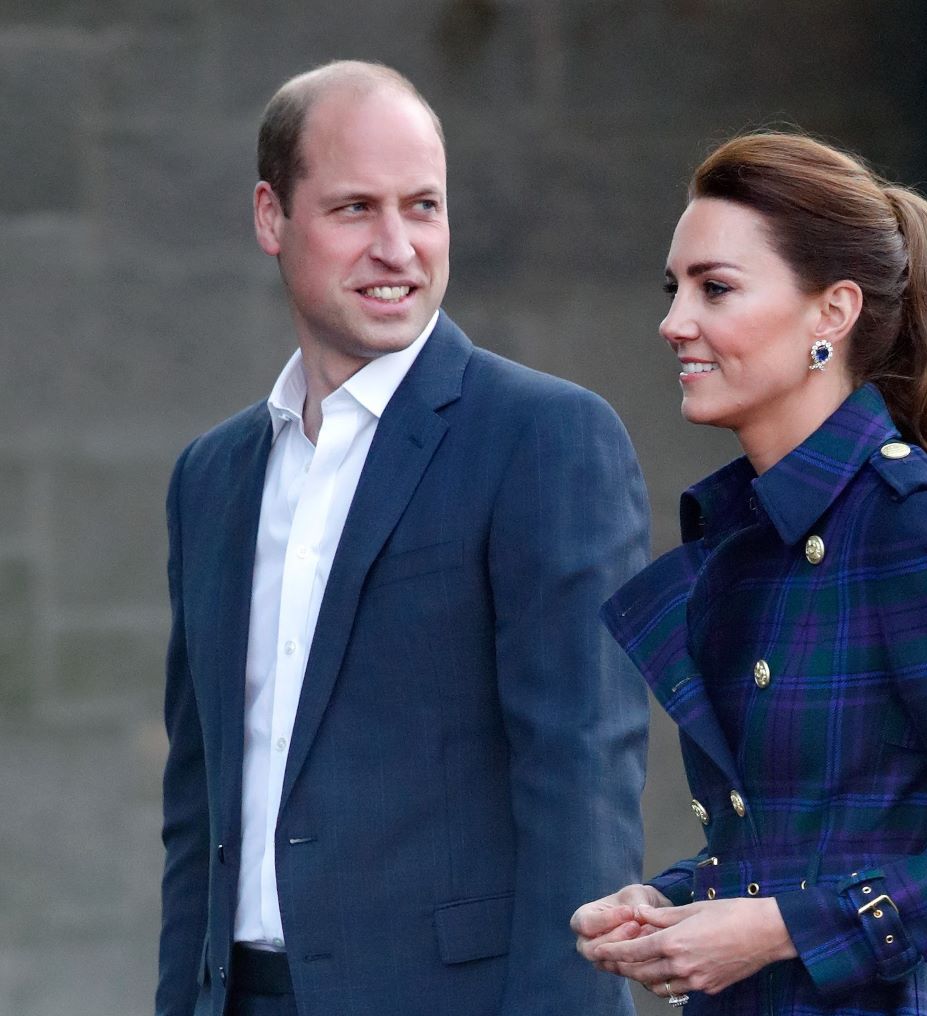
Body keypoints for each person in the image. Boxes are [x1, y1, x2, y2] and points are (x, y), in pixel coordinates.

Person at [156, 60, 650, 1016]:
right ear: (272, 218)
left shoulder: (543, 437)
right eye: (354, 210)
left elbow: (582, 783)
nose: (398, 247)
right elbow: (196, 810)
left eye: (422, 206)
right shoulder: (211, 479)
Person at [571, 132, 927, 1015]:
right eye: (676, 289)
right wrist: (675, 903)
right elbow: (803, 839)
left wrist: (777, 931)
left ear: (832, 312)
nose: (673, 322)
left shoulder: (909, 525)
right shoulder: (754, 533)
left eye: (716, 288)